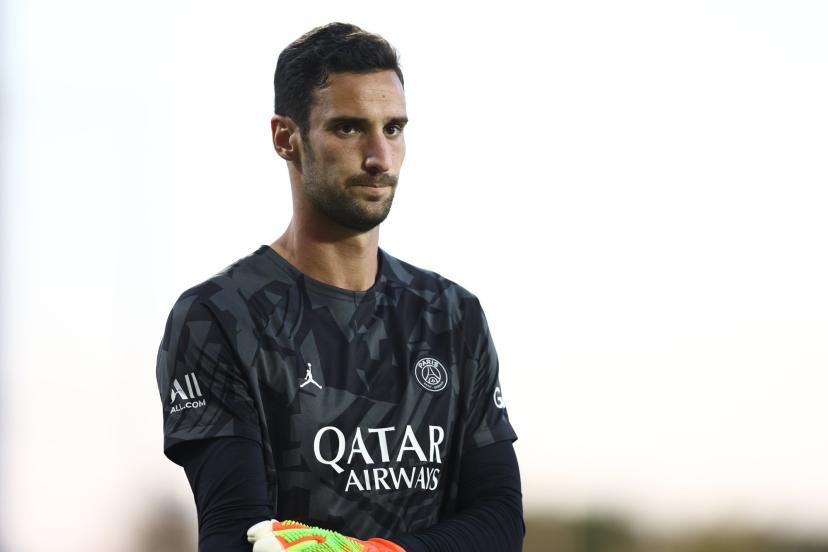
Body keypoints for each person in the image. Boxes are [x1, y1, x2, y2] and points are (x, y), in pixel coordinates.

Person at [155, 22, 524, 552]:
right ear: (286, 138)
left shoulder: (452, 314)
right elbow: (236, 534)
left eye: (393, 128)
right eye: (349, 128)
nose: (380, 158)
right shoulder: (219, 316)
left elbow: (500, 521)